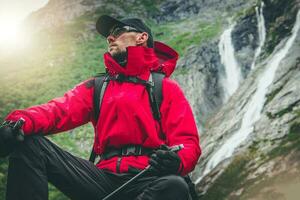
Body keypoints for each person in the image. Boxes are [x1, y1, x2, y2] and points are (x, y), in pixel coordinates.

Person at [0, 15, 201, 200]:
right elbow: (58, 110)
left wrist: (177, 161)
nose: (110, 39)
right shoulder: (98, 86)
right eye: (108, 37)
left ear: (141, 37)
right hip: (101, 179)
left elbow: (188, 143)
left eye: (117, 32)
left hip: (147, 177)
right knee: (29, 144)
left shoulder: (165, 87)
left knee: (175, 186)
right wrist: (16, 123)